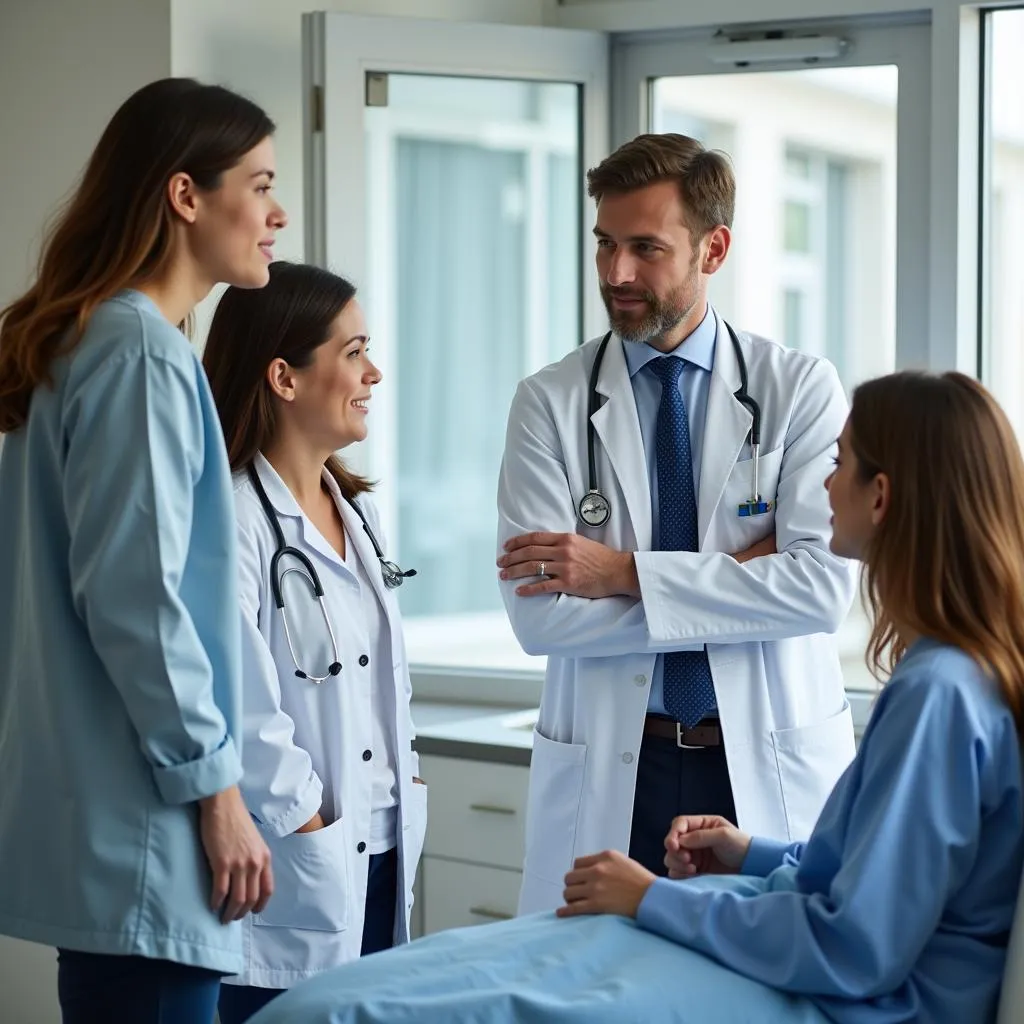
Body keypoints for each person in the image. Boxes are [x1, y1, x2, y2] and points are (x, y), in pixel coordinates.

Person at [228, 371, 1024, 1024]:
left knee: (397, 1002)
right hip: (802, 939)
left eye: (841, 463)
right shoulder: (947, 678)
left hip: (864, 1002)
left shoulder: (938, 697)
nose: (820, 484)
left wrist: (621, 574)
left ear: (881, 497)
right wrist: (753, 855)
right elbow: (543, 618)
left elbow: (856, 946)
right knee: (486, 967)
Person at [495, 132, 857, 912]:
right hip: (618, 767)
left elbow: (821, 591)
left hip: (761, 761)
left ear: (713, 249)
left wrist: (618, 574)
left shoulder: (797, 389)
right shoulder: (549, 403)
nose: (616, 273)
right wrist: (747, 575)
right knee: (594, 992)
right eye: (605, 245)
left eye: (646, 249)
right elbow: (541, 622)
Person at [0, 78, 287, 1024]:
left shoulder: (97, 342)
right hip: (148, 827)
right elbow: (138, 599)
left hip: (109, 822)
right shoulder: (139, 353)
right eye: (259, 183)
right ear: (184, 196)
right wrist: (216, 791)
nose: (276, 213)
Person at [202, 261, 428, 1023]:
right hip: (301, 865)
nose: (375, 372)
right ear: (284, 377)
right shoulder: (229, 520)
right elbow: (244, 713)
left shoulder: (355, 516)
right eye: (354, 351)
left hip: (381, 850)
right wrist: (310, 827)